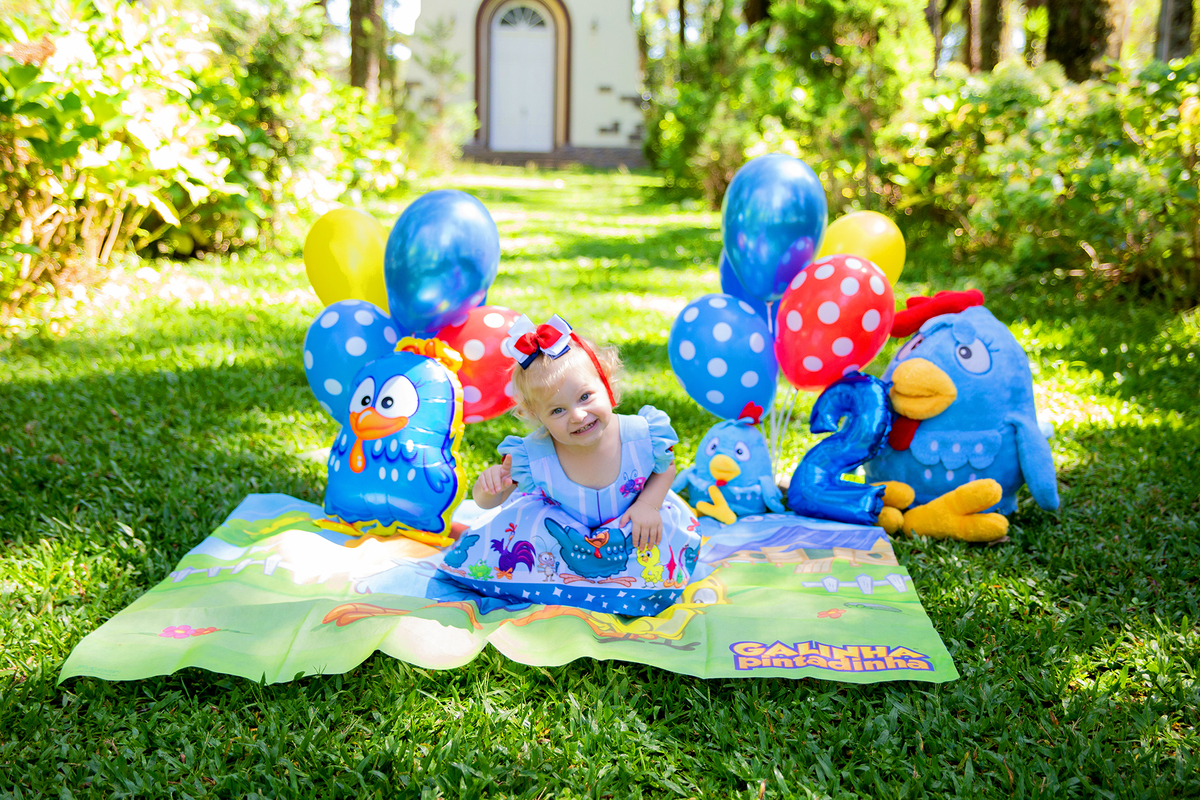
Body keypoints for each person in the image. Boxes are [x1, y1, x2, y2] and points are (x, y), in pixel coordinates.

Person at [440, 314, 700, 616]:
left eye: (586, 397)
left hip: (631, 522)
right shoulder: (534, 454)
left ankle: (636, 591)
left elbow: (665, 467)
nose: (577, 416)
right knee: (521, 532)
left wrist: (649, 505)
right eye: (558, 410)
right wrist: (488, 486)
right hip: (562, 536)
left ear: (608, 386)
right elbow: (490, 503)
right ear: (537, 417)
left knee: (654, 540)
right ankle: (555, 588)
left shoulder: (640, 435)